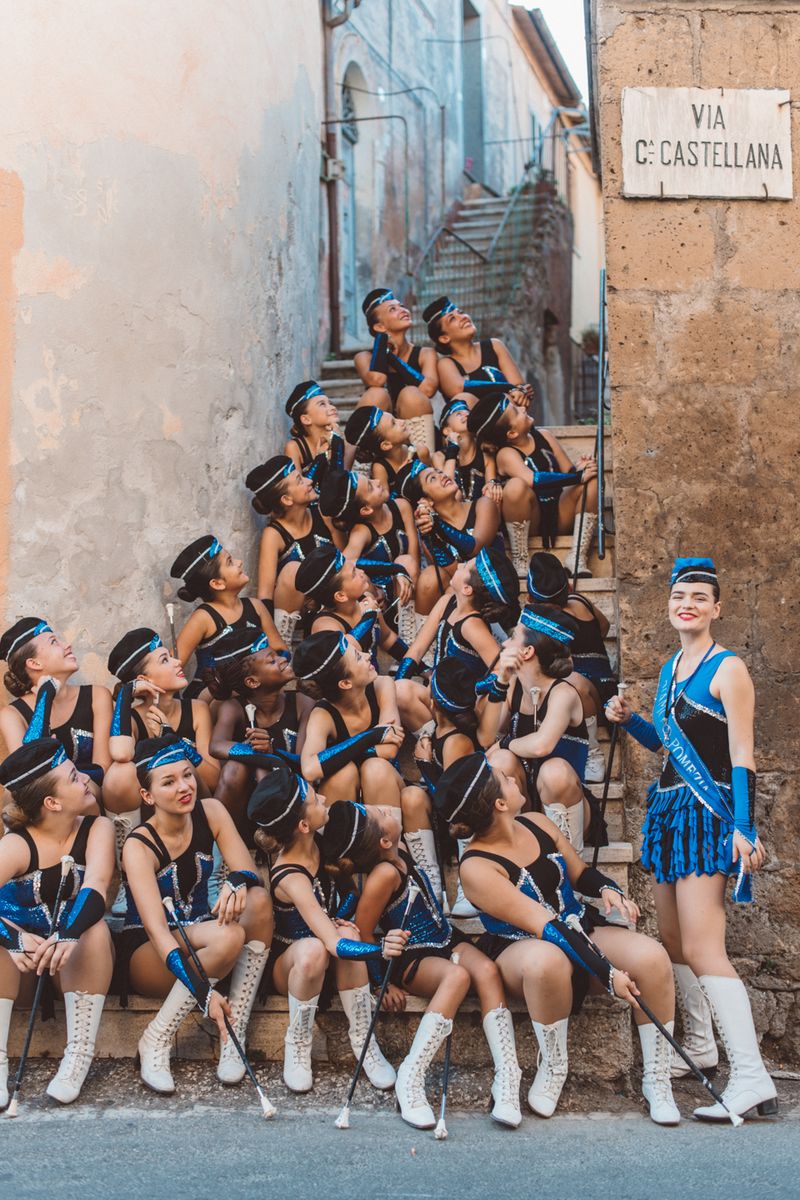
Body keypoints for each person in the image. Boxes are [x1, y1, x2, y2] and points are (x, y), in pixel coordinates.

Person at [606, 557, 777, 1121]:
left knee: (705, 948)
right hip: (669, 813)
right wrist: (631, 721)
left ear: (716, 608)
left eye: (701, 597)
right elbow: (668, 745)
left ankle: (751, 1076)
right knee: (675, 942)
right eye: (681, 595)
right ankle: (700, 1048)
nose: (689, 604)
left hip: (708, 817)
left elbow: (740, 756)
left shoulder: (729, 669)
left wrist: (745, 829)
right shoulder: (671, 669)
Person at [435, 752, 680, 1125]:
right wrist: (607, 971)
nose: (516, 778)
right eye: (505, 777)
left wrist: (609, 890)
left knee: (652, 957)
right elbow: (545, 925)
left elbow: (579, 873)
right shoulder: (477, 868)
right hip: (522, 949)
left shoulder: (535, 821)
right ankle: (554, 1066)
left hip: (576, 925)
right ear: (499, 803)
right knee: (546, 961)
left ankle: (658, 1079)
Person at [321, 799, 523, 1129]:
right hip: (414, 955)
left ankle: (507, 1075)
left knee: (487, 970)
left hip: (445, 938)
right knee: (457, 977)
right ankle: (412, 1075)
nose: (387, 809)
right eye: (382, 814)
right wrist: (379, 983)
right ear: (383, 841)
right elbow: (365, 931)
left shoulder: (399, 851)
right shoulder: (383, 875)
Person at [120, 735, 272, 1092]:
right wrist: (204, 993)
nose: (184, 787)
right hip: (151, 954)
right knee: (229, 934)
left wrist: (237, 881)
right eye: (169, 782)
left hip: (202, 936)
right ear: (148, 796)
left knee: (259, 901)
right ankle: (156, 1038)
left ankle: (233, 1030)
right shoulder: (138, 846)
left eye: (188, 775)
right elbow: (158, 934)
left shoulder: (211, 812)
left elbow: (247, 870)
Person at [247, 764, 408, 1093]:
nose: (323, 797)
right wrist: (379, 950)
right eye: (314, 799)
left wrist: (340, 917)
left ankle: (364, 1039)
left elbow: (348, 894)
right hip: (293, 966)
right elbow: (331, 945)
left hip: (333, 955)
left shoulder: (323, 843)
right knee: (314, 950)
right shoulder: (290, 874)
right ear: (303, 825)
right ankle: (299, 1041)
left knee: (347, 933)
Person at [0, 739, 114, 1107]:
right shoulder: (17, 845)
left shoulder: (97, 828)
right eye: (73, 777)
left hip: (74, 958)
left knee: (94, 930)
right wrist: (13, 941)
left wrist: (69, 933)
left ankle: (78, 1053)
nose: (85, 778)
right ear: (52, 803)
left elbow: (96, 885)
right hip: (23, 967)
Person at [497, 606, 607, 853]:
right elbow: (487, 736)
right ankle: (515, 855)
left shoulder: (564, 693)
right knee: (500, 762)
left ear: (527, 651)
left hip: (567, 802)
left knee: (553, 771)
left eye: (513, 636)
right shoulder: (514, 685)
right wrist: (501, 680)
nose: (505, 643)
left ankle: (570, 870)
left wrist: (506, 743)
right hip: (525, 800)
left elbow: (541, 745)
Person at [467, 393, 598, 578]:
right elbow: (530, 479)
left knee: (591, 480)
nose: (522, 408)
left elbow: (568, 471)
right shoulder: (506, 454)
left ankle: (577, 557)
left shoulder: (544, 436)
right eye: (516, 411)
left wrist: (581, 469)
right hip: (531, 517)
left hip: (559, 512)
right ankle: (521, 559)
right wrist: (576, 477)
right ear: (511, 433)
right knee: (515, 486)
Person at [207, 628, 314, 834]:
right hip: (244, 815)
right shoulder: (234, 708)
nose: (283, 659)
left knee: (262, 769)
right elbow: (216, 745)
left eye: (278, 655)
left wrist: (272, 753)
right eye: (272, 661)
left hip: (291, 808)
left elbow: (303, 763)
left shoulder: (302, 702)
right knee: (234, 769)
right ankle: (218, 847)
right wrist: (253, 752)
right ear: (253, 682)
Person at [528, 551, 617, 784]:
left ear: (530, 597)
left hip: (596, 692)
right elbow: (604, 626)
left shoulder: (548, 617)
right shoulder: (579, 599)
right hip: (587, 686)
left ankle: (594, 754)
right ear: (567, 587)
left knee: (572, 681)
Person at [294, 632, 406, 814]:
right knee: (343, 773)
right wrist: (370, 736)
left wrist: (338, 756)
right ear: (345, 683)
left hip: (384, 784)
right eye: (358, 656)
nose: (368, 655)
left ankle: (386, 838)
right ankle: (343, 839)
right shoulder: (323, 714)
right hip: (343, 791)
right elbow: (309, 769)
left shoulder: (382, 685)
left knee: (374, 768)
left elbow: (390, 749)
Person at [0, 617, 112, 791]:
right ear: (34, 663)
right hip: (46, 804)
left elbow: (103, 768)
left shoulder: (97, 696)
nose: (67, 645)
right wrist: (45, 696)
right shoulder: (12, 715)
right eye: (54, 642)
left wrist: (66, 777)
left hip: (90, 792)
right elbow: (26, 776)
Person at [246, 456, 342, 646]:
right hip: (299, 612)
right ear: (287, 499)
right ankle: (285, 643)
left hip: (333, 601)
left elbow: (344, 557)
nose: (309, 481)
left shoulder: (322, 511)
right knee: (292, 570)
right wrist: (270, 640)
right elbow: (265, 594)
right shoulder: (274, 534)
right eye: (300, 480)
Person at [170, 535, 282, 695]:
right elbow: (173, 664)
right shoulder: (204, 618)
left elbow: (279, 647)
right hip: (212, 696)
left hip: (252, 690)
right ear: (217, 583)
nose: (239, 562)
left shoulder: (256, 607)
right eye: (230, 562)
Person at [399, 465, 504, 615]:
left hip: (495, 587)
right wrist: (428, 535)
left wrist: (438, 524)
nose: (442, 475)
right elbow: (455, 572)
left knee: (453, 594)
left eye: (439, 472)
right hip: (465, 591)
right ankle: (420, 630)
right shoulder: (431, 528)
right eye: (433, 478)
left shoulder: (483, 504)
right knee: (435, 579)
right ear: (426, 500)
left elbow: (476, 548)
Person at [295, 545, 407, 667]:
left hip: (374, 679)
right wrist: (369, 616)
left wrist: (419, 668)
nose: (362, 572)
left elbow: (387, 638)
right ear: (341, 596)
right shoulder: (325, 624)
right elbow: (346, 660)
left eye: (356, 568)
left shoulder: (366, 598)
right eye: (354, 574)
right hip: (349, 683)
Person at [354, 289, 437, 449]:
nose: (403, 310)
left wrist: (392, 358)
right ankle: (360, 464)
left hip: (415, 433)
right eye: (393, 309)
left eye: (402, 306)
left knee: (411, 394)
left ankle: (421, 463)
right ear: (379, 326)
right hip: (381, 435)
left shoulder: (426, 354)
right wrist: (382, 345)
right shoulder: (363, 357)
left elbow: (428, 390)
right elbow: (377, 380)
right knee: (376, 393)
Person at [422, 296, 531, 407]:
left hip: (510, 415)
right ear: (444, 338)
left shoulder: (494, 346)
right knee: (466, 398)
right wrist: (508, 388)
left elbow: (519, 386)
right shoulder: (446, 364)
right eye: (452, 319)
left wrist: (520, 392)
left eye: (461, 312)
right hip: (472, 422)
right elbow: (459, 388)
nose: (463, 317)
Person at [343, 405, 431, 502]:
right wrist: (401, 477)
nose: (401, 421)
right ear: (386, 445)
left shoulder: (421, 452)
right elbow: (384, 499)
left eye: (395, 418)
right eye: (394, 423)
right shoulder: (380, 468)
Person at [434, 396, 502, 508]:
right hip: (454, 512)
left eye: (467, 413)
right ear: (447, 430)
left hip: (482, 511)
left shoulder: (484, 450)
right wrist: (452, 449)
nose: (466, 414)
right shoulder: (439, 457)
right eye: (459, 414)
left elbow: (491, 484)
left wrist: (493, 484)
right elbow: (447, 493)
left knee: (492, 491)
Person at [282, 380, 349, 478]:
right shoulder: (295, 448)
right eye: (322, 404)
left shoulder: (345, 442)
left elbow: (342, 481)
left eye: (330, 403)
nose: (333, 407)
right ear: (306, 419)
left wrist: (337, 444)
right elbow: (298, 490)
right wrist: (319, 460)